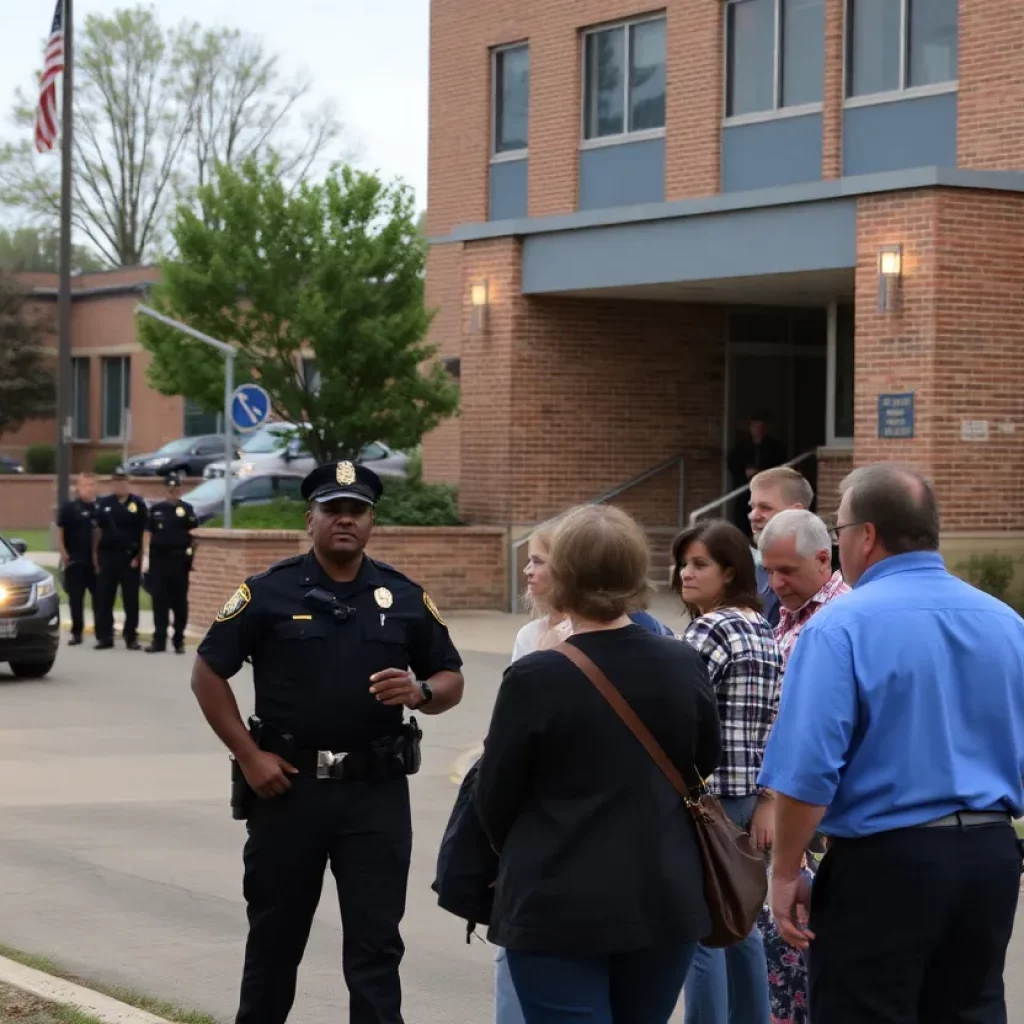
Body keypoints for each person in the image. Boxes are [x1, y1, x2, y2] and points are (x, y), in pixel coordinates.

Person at [191, 460, 465, 1024]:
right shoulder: (267, 592)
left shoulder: (404, 596)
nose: (345, 520)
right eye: (333, 509)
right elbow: (207, 673)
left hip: (375, 794)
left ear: (372, 521)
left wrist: (419, 691)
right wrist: (249, 756)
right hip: (287, 791)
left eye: (357, 510)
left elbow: (450, 678)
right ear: (309, 518)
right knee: (275, 940)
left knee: (376, 947)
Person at [761, 463, 1024, 1024]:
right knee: (972, 1009)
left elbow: (808, 770)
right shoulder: (1007, 623)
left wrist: (785, 873)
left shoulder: (838, 627)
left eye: (838, 529)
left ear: (867, 535)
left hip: (886, 862)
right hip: (991, 856)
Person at [476, 504, 721, 1024]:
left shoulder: (537, 674)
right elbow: (705, 760)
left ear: (561, 576)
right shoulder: (682, 661)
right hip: (661, 895)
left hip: (557, 899)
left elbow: (494, 795)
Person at [672, 519, 782, 1024]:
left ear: (731, 571)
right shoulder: (761, 627)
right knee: (741, 922)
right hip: (747, 797)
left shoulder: (710, 627)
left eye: (700, 565)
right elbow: (777, 720)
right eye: (683, 564)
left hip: (705, 796)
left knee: (704, 930)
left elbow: (678, 710)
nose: (685, 574)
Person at [754, 509, 849, 1024]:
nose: (775, 583)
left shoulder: (837, 622)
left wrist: (790, 860)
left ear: (823, 557)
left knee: (805, 964)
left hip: (816, 825)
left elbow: (814, 745)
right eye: (769, 571)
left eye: (786, 571)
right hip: (790, 817)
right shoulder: (788, 616)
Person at [747, 467, 815, 627]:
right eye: (752, 507)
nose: (753, 516)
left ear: (796, 512)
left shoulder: (816, 576)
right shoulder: (749, 570)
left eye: (765, 508)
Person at [144, 472, 199, 654]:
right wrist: (146, 559)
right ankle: (158, 640)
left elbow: (194, 537)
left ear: (180, 489)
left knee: (179, 603)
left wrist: (191, 557)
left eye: (176, 488)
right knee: (159, 601)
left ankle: (178, 640)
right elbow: (148, 535)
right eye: (170, 488)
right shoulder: (156, 510)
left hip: (179, 562)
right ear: (166, 489)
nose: (173, 491)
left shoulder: (187, 509)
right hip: (159, 561)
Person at [93, 467, 148, 650]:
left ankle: (131, 636)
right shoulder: (103, 503)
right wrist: (95, 556)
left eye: (123, 481)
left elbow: (144, 533)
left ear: (128, 483)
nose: (120, 485)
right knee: (104, 598)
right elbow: (97, 531)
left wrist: (140, 556)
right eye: (116, 481)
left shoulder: (138, 504)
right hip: (107, 557)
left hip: (129, 559)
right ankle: (104, 636)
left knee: (130, 600)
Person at [727, 412, 786, 535]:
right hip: (744, 489)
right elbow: (733, 463)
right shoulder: (741, 445)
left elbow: (780, 467)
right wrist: (744, 472)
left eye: (762, 427)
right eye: (756, 427)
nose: (758, 430)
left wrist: (760, 472)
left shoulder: (774, 447)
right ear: (751, 427)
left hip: (766, 489)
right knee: (743, 517)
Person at [57, 472, 98, 646]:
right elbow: (60, 532)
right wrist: (64, 553)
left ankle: (102, 631)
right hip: (75, 560)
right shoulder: (69, 508)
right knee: (76, 599)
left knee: (100, 598)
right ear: (78, 488)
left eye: (91, 485)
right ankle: (77, 632)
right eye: (85, 485)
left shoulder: (100, 508)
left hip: (95, 563)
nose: (88, 489)